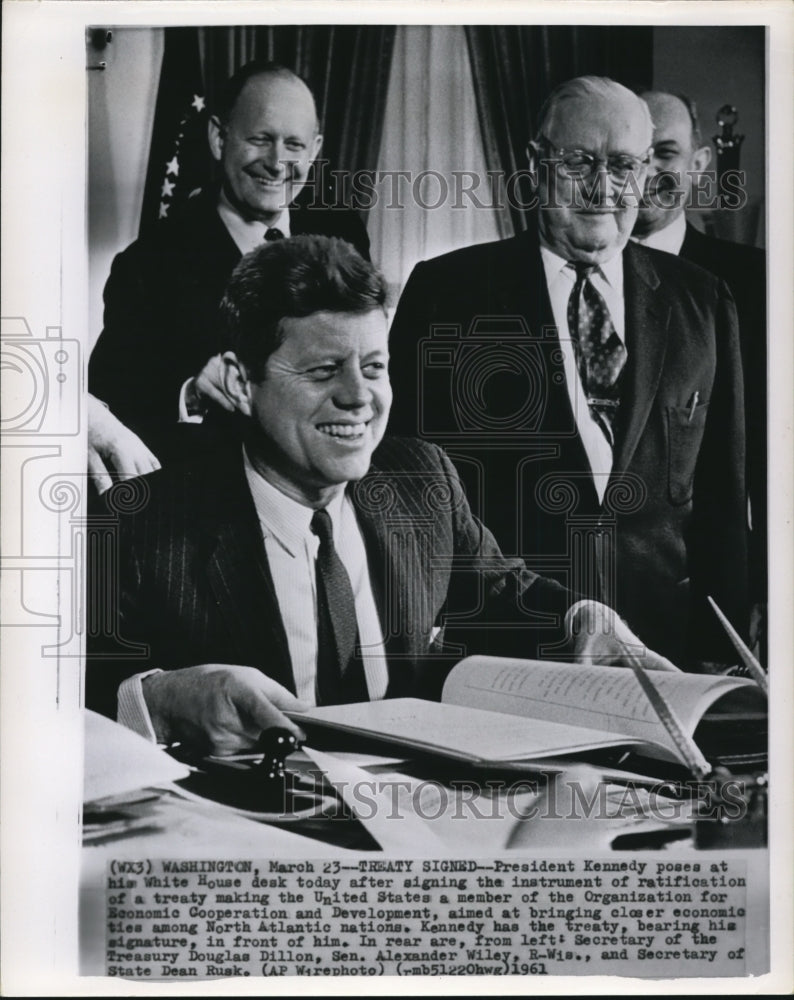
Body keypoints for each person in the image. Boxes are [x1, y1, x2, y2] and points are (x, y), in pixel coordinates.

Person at [86, 235, 676, 756]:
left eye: (374, 366)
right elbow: (58, 704)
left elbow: (506, 591)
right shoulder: (139, 527)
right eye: (323, 370)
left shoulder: (422, 481)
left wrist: (584, 622)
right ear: (243, 382)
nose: (358, 397)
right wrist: (157, 701)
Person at [387, 77, 748, 668]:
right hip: (504, 651)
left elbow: (723, 504)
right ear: (536, 164)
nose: (603, 188)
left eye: (624, 165)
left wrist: (719, 658)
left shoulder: (703, 301)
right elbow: (411, 493)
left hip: (664, 652)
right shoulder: (444, 294)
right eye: (580, 161)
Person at [88, 60, 370, 488]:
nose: (277, 163)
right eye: (260, 139)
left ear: (314, 149)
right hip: (215, 498)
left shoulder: (344, 232)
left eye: (294, 145)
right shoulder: (148, 263)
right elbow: (112, 402)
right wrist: (191, 392)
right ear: (220, 138)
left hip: (330, 488)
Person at [632, 90, 766, 646]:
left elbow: (764, 450)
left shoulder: (755, 284)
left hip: (706, 600)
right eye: (629, 155)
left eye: (664, 152)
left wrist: (761, 585)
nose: (644, 173)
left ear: (700, 164)